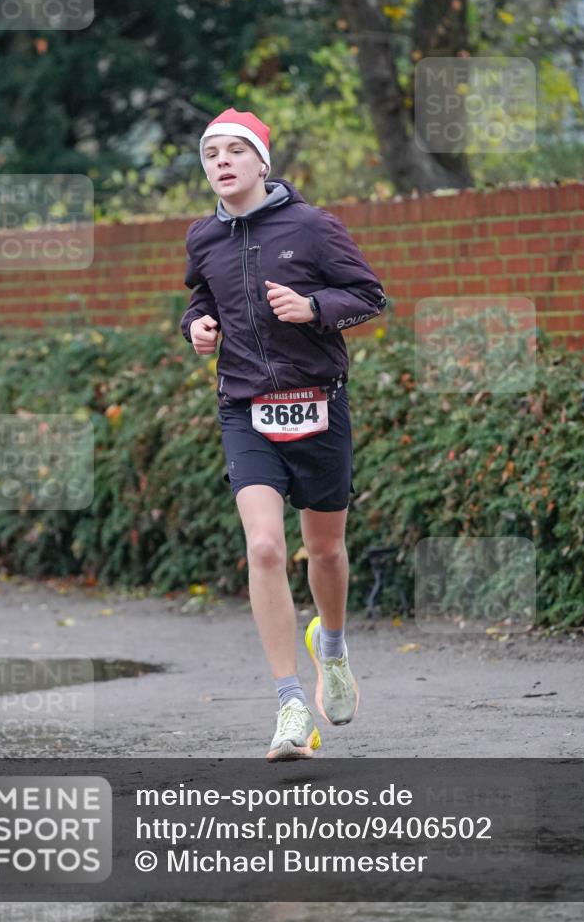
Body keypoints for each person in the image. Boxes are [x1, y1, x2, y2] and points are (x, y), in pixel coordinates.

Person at [180, 108, 387, 761]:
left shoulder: (311, 225)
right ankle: (290, 706)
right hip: (245, 406)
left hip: (318, 404)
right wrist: (197, 327)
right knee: (265, 548)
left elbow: (368, 294)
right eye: (211, 152)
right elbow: (199, 298)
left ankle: (330, 646)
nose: (222, 161)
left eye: (235, 150)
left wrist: (314, 309)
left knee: (323, 552)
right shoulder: (201, 238)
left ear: (261, 162)